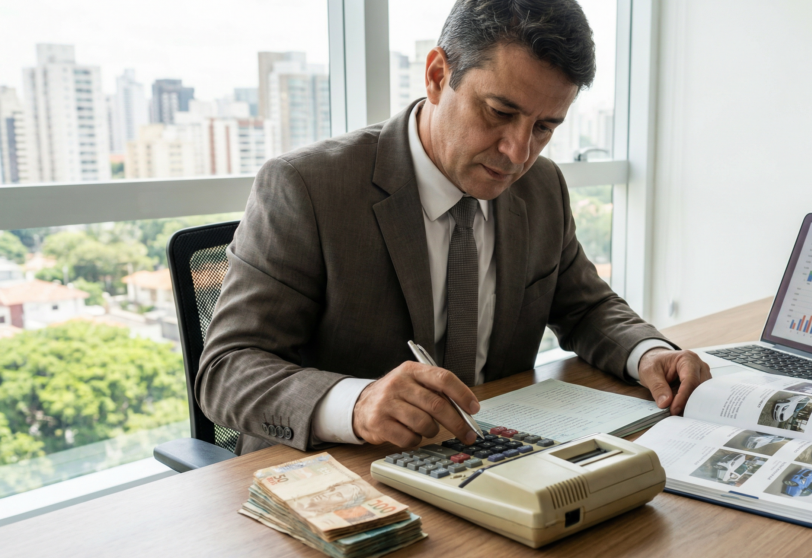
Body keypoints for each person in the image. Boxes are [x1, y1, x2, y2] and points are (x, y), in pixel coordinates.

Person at [197, 0, 711, 456]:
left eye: (544, 127)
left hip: (490, 458)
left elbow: (586, 308)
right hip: (340, 472)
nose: (518, 153)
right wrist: (358, 402)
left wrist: (649, 354)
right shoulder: (307, 186)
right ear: (438, 75)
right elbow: (227, 369)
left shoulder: (543, 187)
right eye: (500, 112)